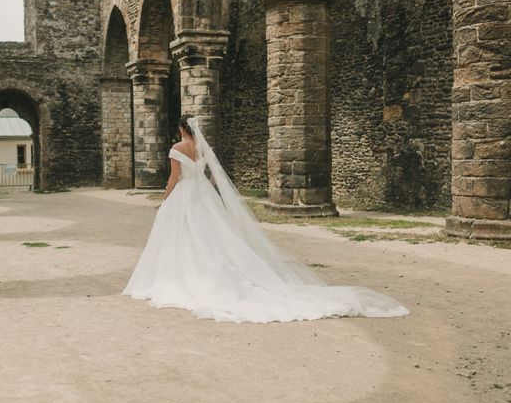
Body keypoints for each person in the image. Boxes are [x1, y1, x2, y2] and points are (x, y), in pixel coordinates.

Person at [123, 115, 409, 323]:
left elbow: (174, 177)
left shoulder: (177, 148)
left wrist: (165, 198)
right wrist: (213, 200)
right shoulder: (202, 150)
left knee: (184, 238)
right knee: (213, 237)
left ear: (181, 129)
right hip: (202, 196)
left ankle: (185, 277)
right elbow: (210, 179)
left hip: (186, 195)